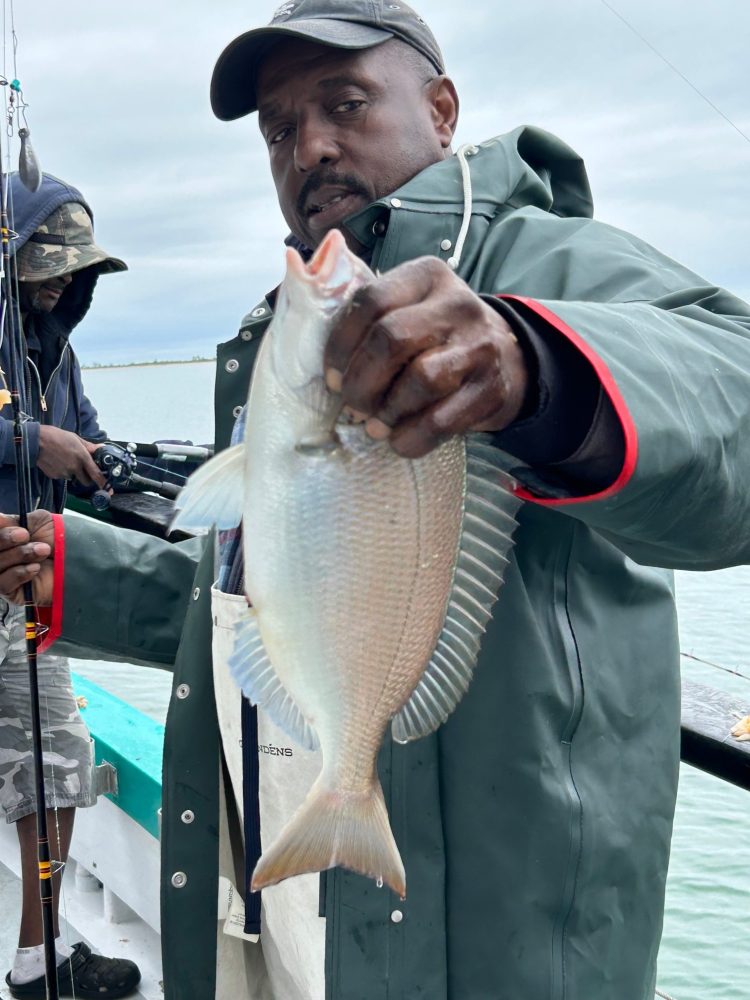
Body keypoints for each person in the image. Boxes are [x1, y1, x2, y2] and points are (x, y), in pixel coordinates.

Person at [1, 2, 750, 997]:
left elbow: (732, 389)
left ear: (441, 110)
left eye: (345, 103)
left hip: (470, 938)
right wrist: (71, 566)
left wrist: (535, 362)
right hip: (276, 887)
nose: (308, 145)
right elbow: (265, 595)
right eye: (278, 128)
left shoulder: (540, 261)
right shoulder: (291, 332)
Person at [0, 173, 141, 999]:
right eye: (45, 260)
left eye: (73, 266)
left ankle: (38, 957)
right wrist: (29, 440)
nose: (59, 278)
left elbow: (78, 438)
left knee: (58, 762)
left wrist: (104, 469)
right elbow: (40, 440)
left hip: (28, 591)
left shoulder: (58, 345)